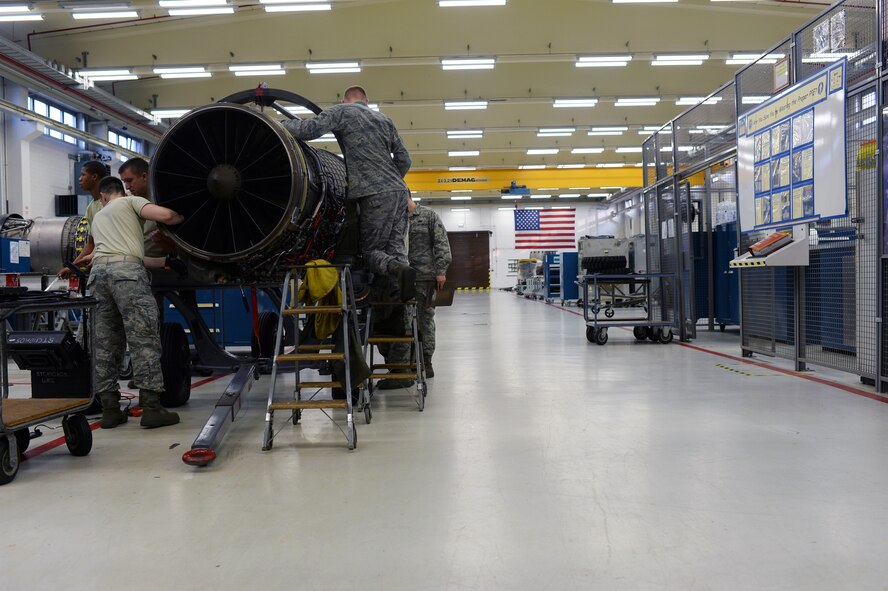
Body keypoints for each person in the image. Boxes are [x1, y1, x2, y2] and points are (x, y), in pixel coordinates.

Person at [282, 85, 416, 299]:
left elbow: (309, 130)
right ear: (367, 101)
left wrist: (280, 125)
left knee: (372, 253)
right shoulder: (384, 120)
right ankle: (398, 310)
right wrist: (390, 181)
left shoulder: (342, 111)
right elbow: (404, 159)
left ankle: (399, 272)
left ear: (345, 101)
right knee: (395, 250)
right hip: (400, 192)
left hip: (373, 195)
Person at [89, 176, 185, 429]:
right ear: (121, 191)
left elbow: (112, 255)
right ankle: (152, 407)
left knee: (105, 342)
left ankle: (110, 409)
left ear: (102, 197)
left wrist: (163, 261)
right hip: (127, 276)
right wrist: (182, 219)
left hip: (98, 276)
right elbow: (166, 216)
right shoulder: (132, 202)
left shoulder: (99, 217)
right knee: (143, 338)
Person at [378, 198, 452, 388]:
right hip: (398, 279)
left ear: (406, 197)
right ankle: (403, 366)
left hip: (424, 278)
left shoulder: (428, 216)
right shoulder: (394, 218)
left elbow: (441, 243)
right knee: (401, 322)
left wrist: (441, 271)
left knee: (425, 320)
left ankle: (426, 362)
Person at [58, 160, 107, 277]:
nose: (80, 179)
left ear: (94, 177)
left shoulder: (109, 203)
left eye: (83, 175)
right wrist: (73, 267)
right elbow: (91, 243)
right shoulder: (91, 208)